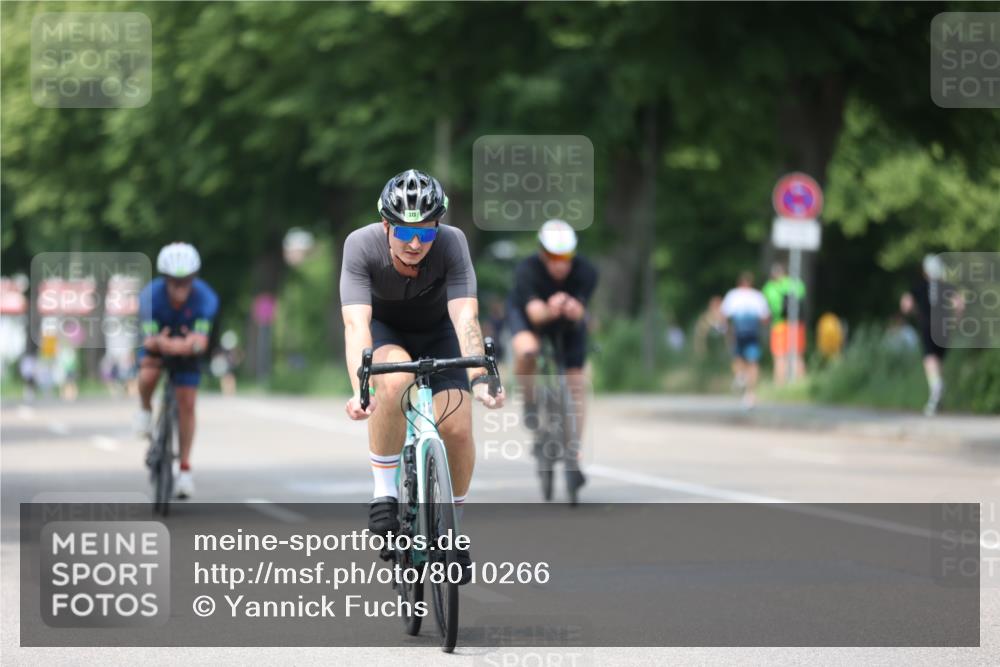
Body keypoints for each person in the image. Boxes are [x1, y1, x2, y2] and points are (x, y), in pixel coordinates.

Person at [340, 169, 505, 580]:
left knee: (459, 429)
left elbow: (465, 316)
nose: (416, 244)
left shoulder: (453, 244)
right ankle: (385, 493)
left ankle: (453, 532)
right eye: (405, 233)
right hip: (386, 332)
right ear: (386, 226)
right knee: (393, 382)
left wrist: (480, 378)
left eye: (427, 233)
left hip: (440, 333)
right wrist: (360, 388)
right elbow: (355, 325)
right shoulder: (360, 246)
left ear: (438, 227)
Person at [507, 219, 598, 492]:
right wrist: (552, 306)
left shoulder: (586, 271)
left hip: (566, 323)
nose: (561, 264)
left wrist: (572, 308)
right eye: (554, 258)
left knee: (577, 384)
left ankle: (574, 451)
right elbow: (535, 314)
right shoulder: (527, 271)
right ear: (542, 254)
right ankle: (531, 402)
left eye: (566, 257)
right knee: (527, 350)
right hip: (531, 316)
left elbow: (582, 312)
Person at [135, 243, 219, 499]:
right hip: (160, 347)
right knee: (148, 372)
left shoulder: (206, 298)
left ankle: (184, 469)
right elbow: (150, 341)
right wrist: (172, 344)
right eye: (174, 281)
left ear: (194, 279)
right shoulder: (150, 296)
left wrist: (181, 345)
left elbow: (200, 342)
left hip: (186, 352)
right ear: (165, 279)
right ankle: (145, 409)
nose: (180, 287)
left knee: (187, 402)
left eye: (186, 281)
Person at [900, 254, 961, 416]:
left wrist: (914, 312)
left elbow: (905, 305)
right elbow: (959, 304)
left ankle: (936, 388)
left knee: (930, 359)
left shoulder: (918, 287)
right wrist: (955, 321)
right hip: (945, 327)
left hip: (928, 326)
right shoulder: (947, 287)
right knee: (938, 360)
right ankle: (937, 400)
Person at [720, 272, 770, 408]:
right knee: (753, 363)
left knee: (738, 358)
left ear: (739, 283)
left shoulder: (733, 294)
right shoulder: (757, 296)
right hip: (753, 333)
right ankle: (750, 393)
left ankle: (741, 378)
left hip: (738, 332)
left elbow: (724, 314)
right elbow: (765, 318)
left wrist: (725, 330)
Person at [763, 261, 806, 384]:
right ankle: (801, 384)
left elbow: (768, 307)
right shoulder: (795, 283)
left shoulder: (769, 287)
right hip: (796, 324)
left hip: (779, 324)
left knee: (779, 356)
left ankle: (779, 384)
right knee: (797, 355)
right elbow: (803, 294)